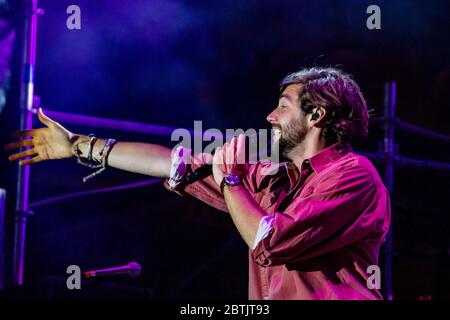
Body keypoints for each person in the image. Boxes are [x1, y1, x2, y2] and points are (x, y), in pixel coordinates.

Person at [5, 67, 390, 300]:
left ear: (316, 114)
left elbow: (271, 241)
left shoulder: (353, 177)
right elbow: (174, 164)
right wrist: (78, 146)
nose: (270, 116)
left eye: (284, 105)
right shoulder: (273, 177)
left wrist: (233, 180)